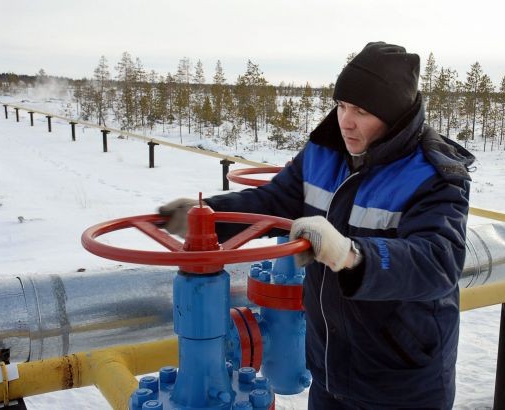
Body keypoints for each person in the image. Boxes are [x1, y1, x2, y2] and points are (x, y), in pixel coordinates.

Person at [159, 41, 474, 410]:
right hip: (329, 370)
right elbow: (274, 202)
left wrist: (352, 255)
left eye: (361, 111)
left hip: (401, 382)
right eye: (341, 105)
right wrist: (209, 217)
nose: (346, 121)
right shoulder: (324, 154)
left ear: (395, 116)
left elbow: (438, 261)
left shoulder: (433, 175)